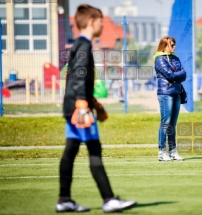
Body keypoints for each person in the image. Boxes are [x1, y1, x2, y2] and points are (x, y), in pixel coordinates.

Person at [57, 4, 136, 213]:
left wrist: (94, 104)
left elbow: (74, 78)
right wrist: (83, 106)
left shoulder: (79, 45)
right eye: (100, 20)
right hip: (78, 108)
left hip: (74, 105)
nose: (102, 24)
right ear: (92, 22)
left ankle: (64, 199)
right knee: (94, 150)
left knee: (71, 151)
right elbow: (80, 76)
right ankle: (109, 199)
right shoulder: (83, 46)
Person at [153, 36, 187, 162]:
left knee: (172, 124)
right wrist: (176, 76)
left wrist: (175, 76)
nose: (174, 47)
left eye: (174, 44)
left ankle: (173, 152)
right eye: (172, 45)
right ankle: (162, 152)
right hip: (165, 94)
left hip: (177, 93)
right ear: (164, 46)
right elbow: (169, 74)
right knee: (165, 122)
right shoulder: (160, 59)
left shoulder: (176, 58)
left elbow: (184, 74)